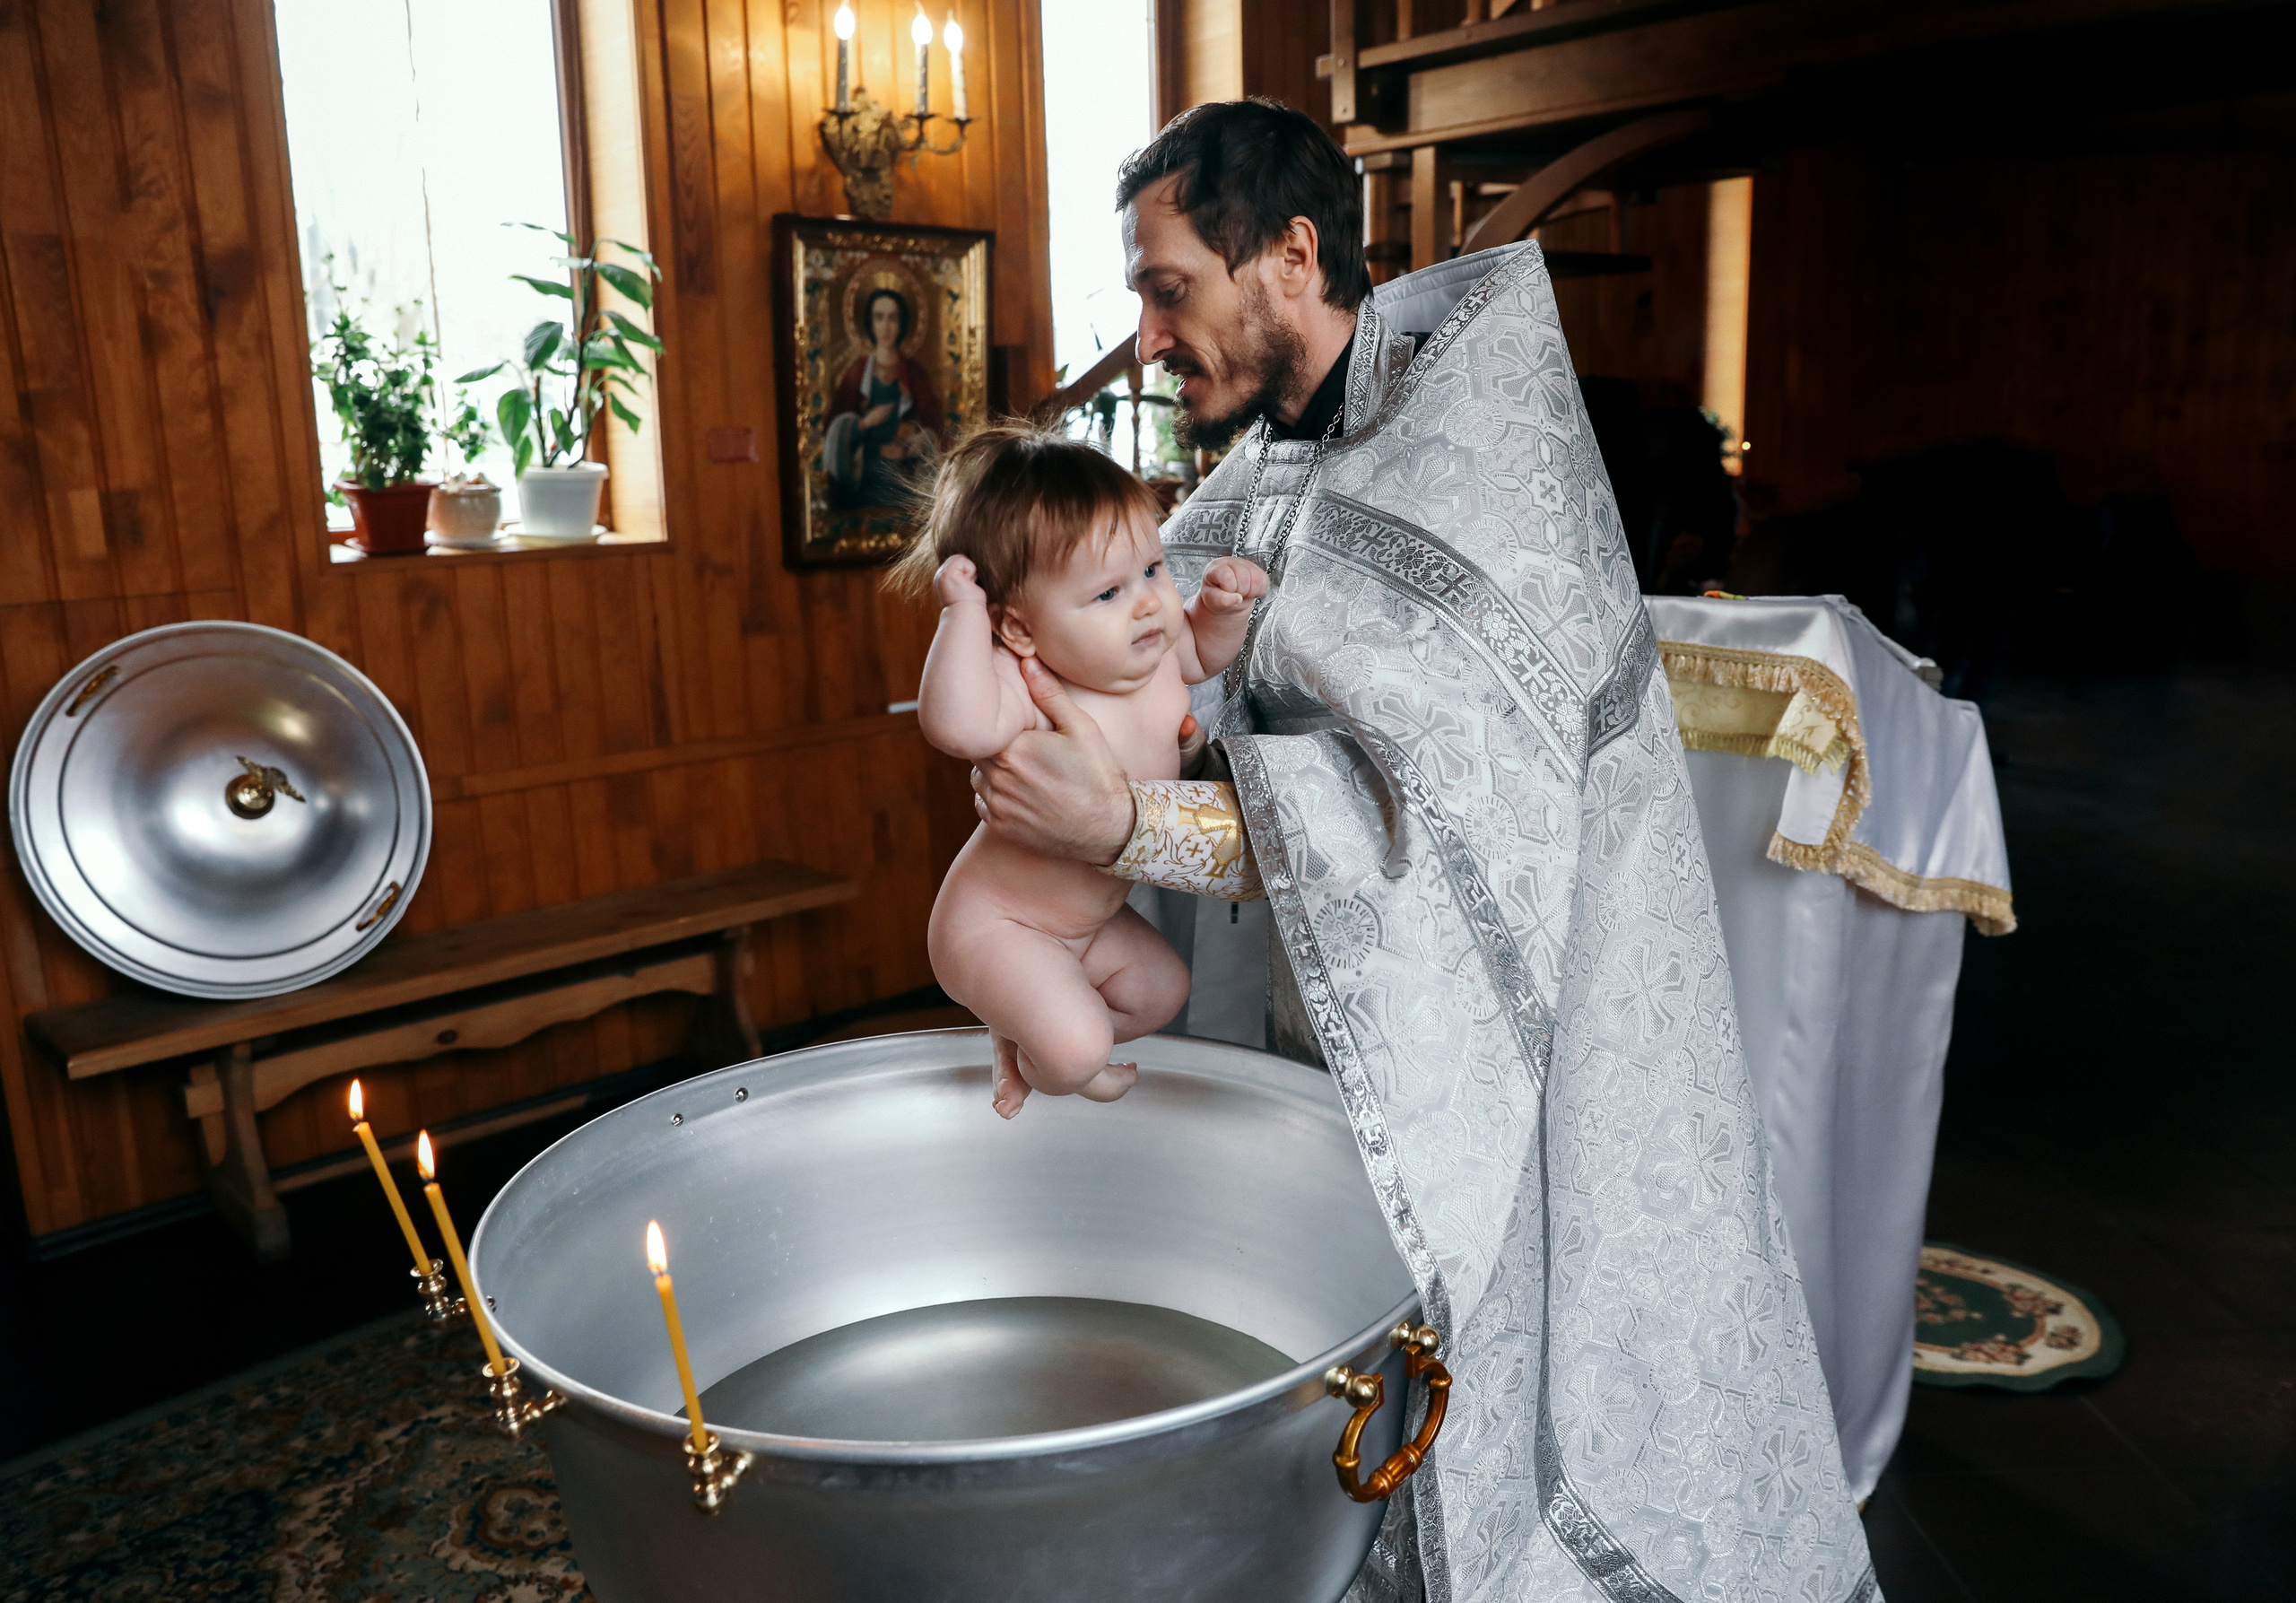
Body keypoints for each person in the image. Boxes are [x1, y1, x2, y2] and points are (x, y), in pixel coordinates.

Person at [968, 100, 1880, 1603]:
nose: (1145, 339)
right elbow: (1147, 658)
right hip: (1343, 1033)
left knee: (1508, 1414)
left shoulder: (1478, 453)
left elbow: (1439, 828)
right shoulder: (1270, 462)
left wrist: (1125, 822)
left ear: (1288, 256)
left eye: (1166, 285)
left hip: (1520, 1039)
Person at [888, 426, 1269, 1119]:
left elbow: (1207, 652)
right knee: (1080, 1044)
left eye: (1152, 569)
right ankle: (1052, 1053)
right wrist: (962, 615)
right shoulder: (1025, 680)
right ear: (1021, 630)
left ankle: (1029, 1030)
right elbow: (954, 724)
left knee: (1161, 989)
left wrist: (1223, 608)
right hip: (1000, 923)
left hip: (1089, 924)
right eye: (1108, 593)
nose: (1150, 602)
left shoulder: (1155, 653)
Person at [823, 284, 946, 509]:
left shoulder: (915, 373)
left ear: (901, 325)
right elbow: (833, 429)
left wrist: (922, 437)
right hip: (866, 478)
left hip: (905, 478)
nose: (886, 327)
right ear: (870, 324)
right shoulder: (858, 372)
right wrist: (863, 424)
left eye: (893, 318)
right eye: (879, 318)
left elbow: (936, 427)